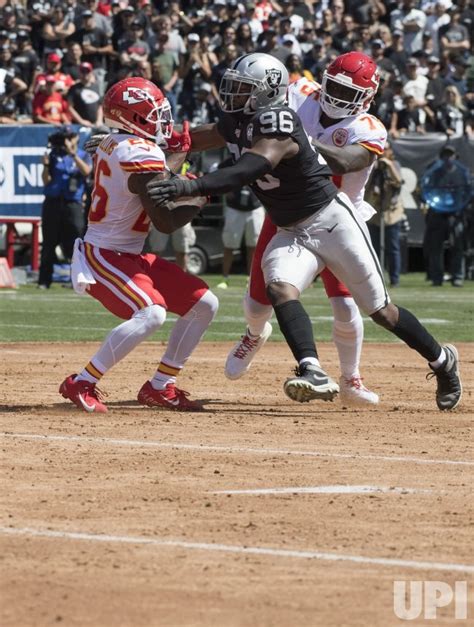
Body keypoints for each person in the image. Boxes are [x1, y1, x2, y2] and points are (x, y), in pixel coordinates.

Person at [147, 52, 462, 412]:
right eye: (233, 86)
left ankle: (441, 361)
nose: (231, 94)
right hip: (289, 223)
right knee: (279, 288)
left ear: (266, 93)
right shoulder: (254, 115)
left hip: (334, 219)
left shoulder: (286, 122)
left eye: (242, 89)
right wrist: (149, 142)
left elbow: (252, 169)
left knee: (379, 311)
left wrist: (189, 186)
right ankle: (311, 369)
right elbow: (204, 136)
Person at [60, 77, 218, 413]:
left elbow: (161, 170)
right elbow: (165, 219)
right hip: (103, 254)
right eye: (154, 114)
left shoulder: (126, 144)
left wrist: (182, 158)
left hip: (129, 253)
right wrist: (202, 194)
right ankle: (82, 381)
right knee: (152, 312)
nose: (163, 120)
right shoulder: (137, 151)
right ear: (132, 119)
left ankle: (160, 385)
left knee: (205, 304)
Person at [38, 127, 92, 289]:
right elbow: (45, 181)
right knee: (49, 242)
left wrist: (72, 154)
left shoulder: (82, 155)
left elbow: (86, 171)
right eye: (64, 138)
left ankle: (75, 280)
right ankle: (44, 280)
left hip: (72, 204)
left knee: (75, 242)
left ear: (76, 138)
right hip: (53, 202)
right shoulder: (54, 155)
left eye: (69, 137)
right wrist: (46, 166)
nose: (66, 141)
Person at [420, 145, 471, 287]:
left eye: (451, 155)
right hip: (437, 214)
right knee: (435, 248)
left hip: (456, 215)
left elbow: (468, 193)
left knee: (458, 246)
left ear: (456, 157)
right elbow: (425, 191)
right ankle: (437, 278)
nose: (448, 158)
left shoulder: (462, 173)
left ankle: (458, 277)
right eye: (445, 155)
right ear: (441, 157)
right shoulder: (433, 173)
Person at [366, 143, 407, 288]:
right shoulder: (373, 166)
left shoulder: (395, 164)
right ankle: (376, 277)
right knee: (374, 247)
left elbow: (399, 182)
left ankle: (394, 279)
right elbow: (366, 187)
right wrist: (373, 168)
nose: (383, 152)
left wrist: (388, 164)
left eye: (386, 148)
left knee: (392, 247)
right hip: (375, 211)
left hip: (391, 212)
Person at [216, 173, 265, 289]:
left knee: (253, 246)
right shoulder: (232, 158)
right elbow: (220, 172)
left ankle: (251, 279)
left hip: (255, 207)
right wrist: (226, 189)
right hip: (234, 208)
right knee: (229, 245)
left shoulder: (260, 157)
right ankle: (224, 278)